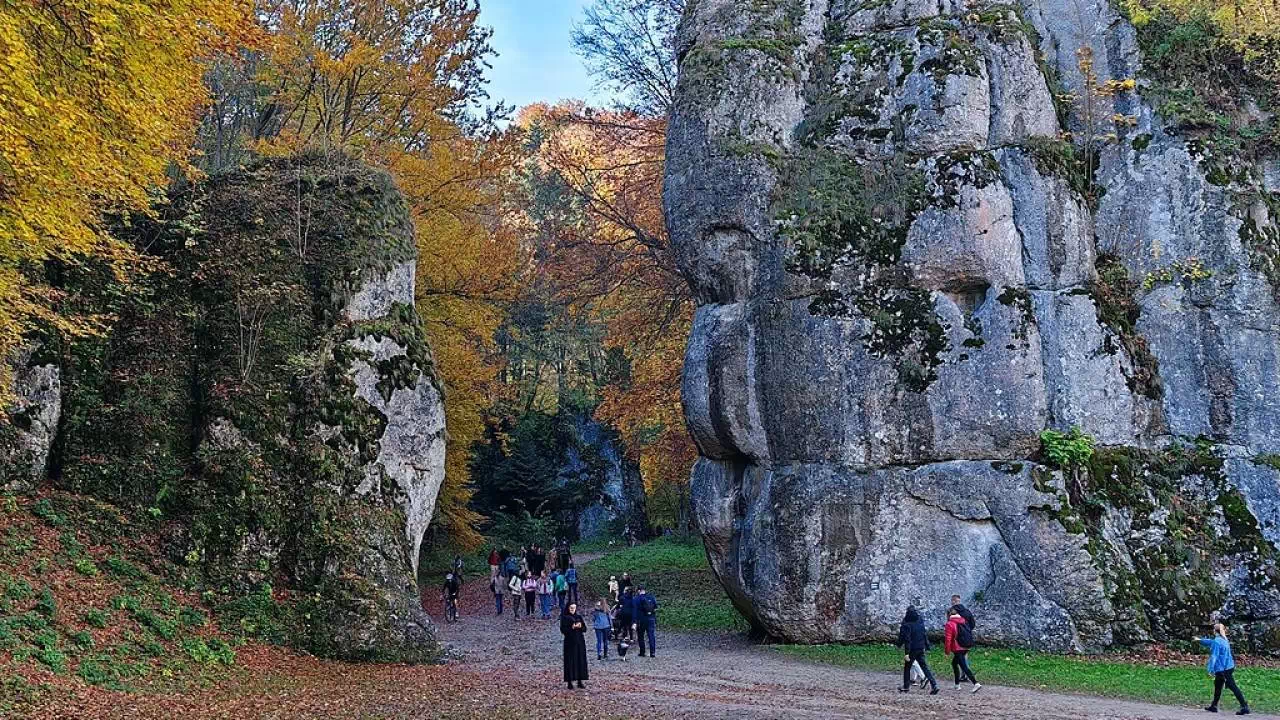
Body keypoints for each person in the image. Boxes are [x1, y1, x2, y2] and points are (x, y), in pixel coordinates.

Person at [1200, 622, 1250, 715]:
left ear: (1215, 631)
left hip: (1223, 669)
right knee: (1218, 685)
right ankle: (1214, 706)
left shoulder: (1217, 641)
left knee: (1232, 686)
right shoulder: (1224, 639)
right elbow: (1211, 642)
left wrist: (1210, 670)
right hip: (1228, 667)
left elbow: (1214, 656)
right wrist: (1200, 640)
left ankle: (1244, 706)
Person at [898, 606, 939, 694]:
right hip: (920, 647)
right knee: (924, 666)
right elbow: (924, 634)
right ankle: (934, 684)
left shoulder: (907, 624)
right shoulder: (920, 621)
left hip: (912, 649)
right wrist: (927, 646)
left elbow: (907, 639)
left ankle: (906, 686)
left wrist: (906, 653)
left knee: (907, 667)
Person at [944, 608, 981, 693]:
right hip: (965, 646)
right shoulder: (963, 621)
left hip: (957, 648)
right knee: (954, 663)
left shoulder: (950, 624)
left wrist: (947, 651)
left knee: (963, 666)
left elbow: (948, 639)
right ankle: (957, 684)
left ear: (949, 615)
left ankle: (976, 683)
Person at [560, 602, 589, 689]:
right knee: (570, 661)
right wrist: (571, 627)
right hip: (570, 642)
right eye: (571, 608)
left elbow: (585, 629)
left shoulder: (578, 617)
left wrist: (580, 626)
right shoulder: (564, 618)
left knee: (580, 660)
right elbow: (563, 630)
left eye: (574, 608)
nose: (573, 610)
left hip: (580, 641)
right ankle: (570, 682)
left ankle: (580, 680)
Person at [634, 586, 658, 658]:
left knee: (641, 636)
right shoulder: (651, 597)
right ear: (644, 590)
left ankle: (642, 652)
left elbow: (635, 611)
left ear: (638, 591)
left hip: (641, 620)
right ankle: (652, 652)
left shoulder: (636, 599)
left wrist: (634, 622)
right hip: (651, 619)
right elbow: (655, 608)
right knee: (651, 636)